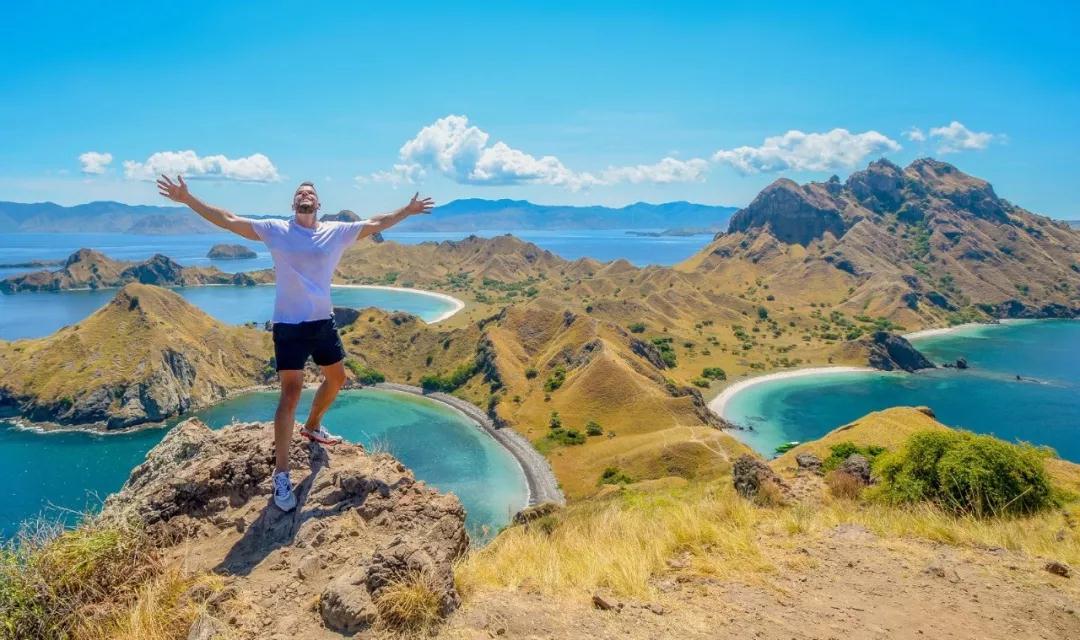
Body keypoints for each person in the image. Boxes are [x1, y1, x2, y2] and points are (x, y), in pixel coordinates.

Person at [157, 175, 434, 511]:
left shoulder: (335, 231)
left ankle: (313, 426)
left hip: (322, 323)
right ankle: (282, 476)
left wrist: (409, 209)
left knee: (338, 379)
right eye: (300, 192)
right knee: (290, 394)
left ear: (319, 204)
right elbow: (229, 220)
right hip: (288, 326)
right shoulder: (277, 230)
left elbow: (377, 222)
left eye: (311, 193)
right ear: (293, 204)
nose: (305, 195)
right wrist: (188, 199)